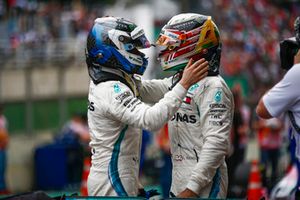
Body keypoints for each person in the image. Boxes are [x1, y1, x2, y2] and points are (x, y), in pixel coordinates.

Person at [86, 16, 209, 197]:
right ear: (110, 49)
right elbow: (151, 120)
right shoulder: (111, 89)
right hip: (111, 184)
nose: (138, 52)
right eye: (132, 47)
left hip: (117, 178)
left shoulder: (116, 79)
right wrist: (184, 84)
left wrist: (182, 78)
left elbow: (151, 89)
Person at [139, 13, 234, 198]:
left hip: (204, 189)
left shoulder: (214, 87)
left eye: (173, 44)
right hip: (180, 185)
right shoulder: (182, 81)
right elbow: (146, 89)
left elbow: (216, 144)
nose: (166, 49)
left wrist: (192, 189)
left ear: (192, 44)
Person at [256, 49, 300, 193]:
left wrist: (294, 69)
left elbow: (262, 109)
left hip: (275, 144)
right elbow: (257, 123)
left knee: (275, 170)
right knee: (265, 169)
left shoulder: (297, 73)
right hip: (266, 144)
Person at [0, 104, 9, 194]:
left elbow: (4, 133)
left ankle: (3, 187)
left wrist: (5, 141)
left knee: (2, 168)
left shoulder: (3, 119)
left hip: (2, 148)